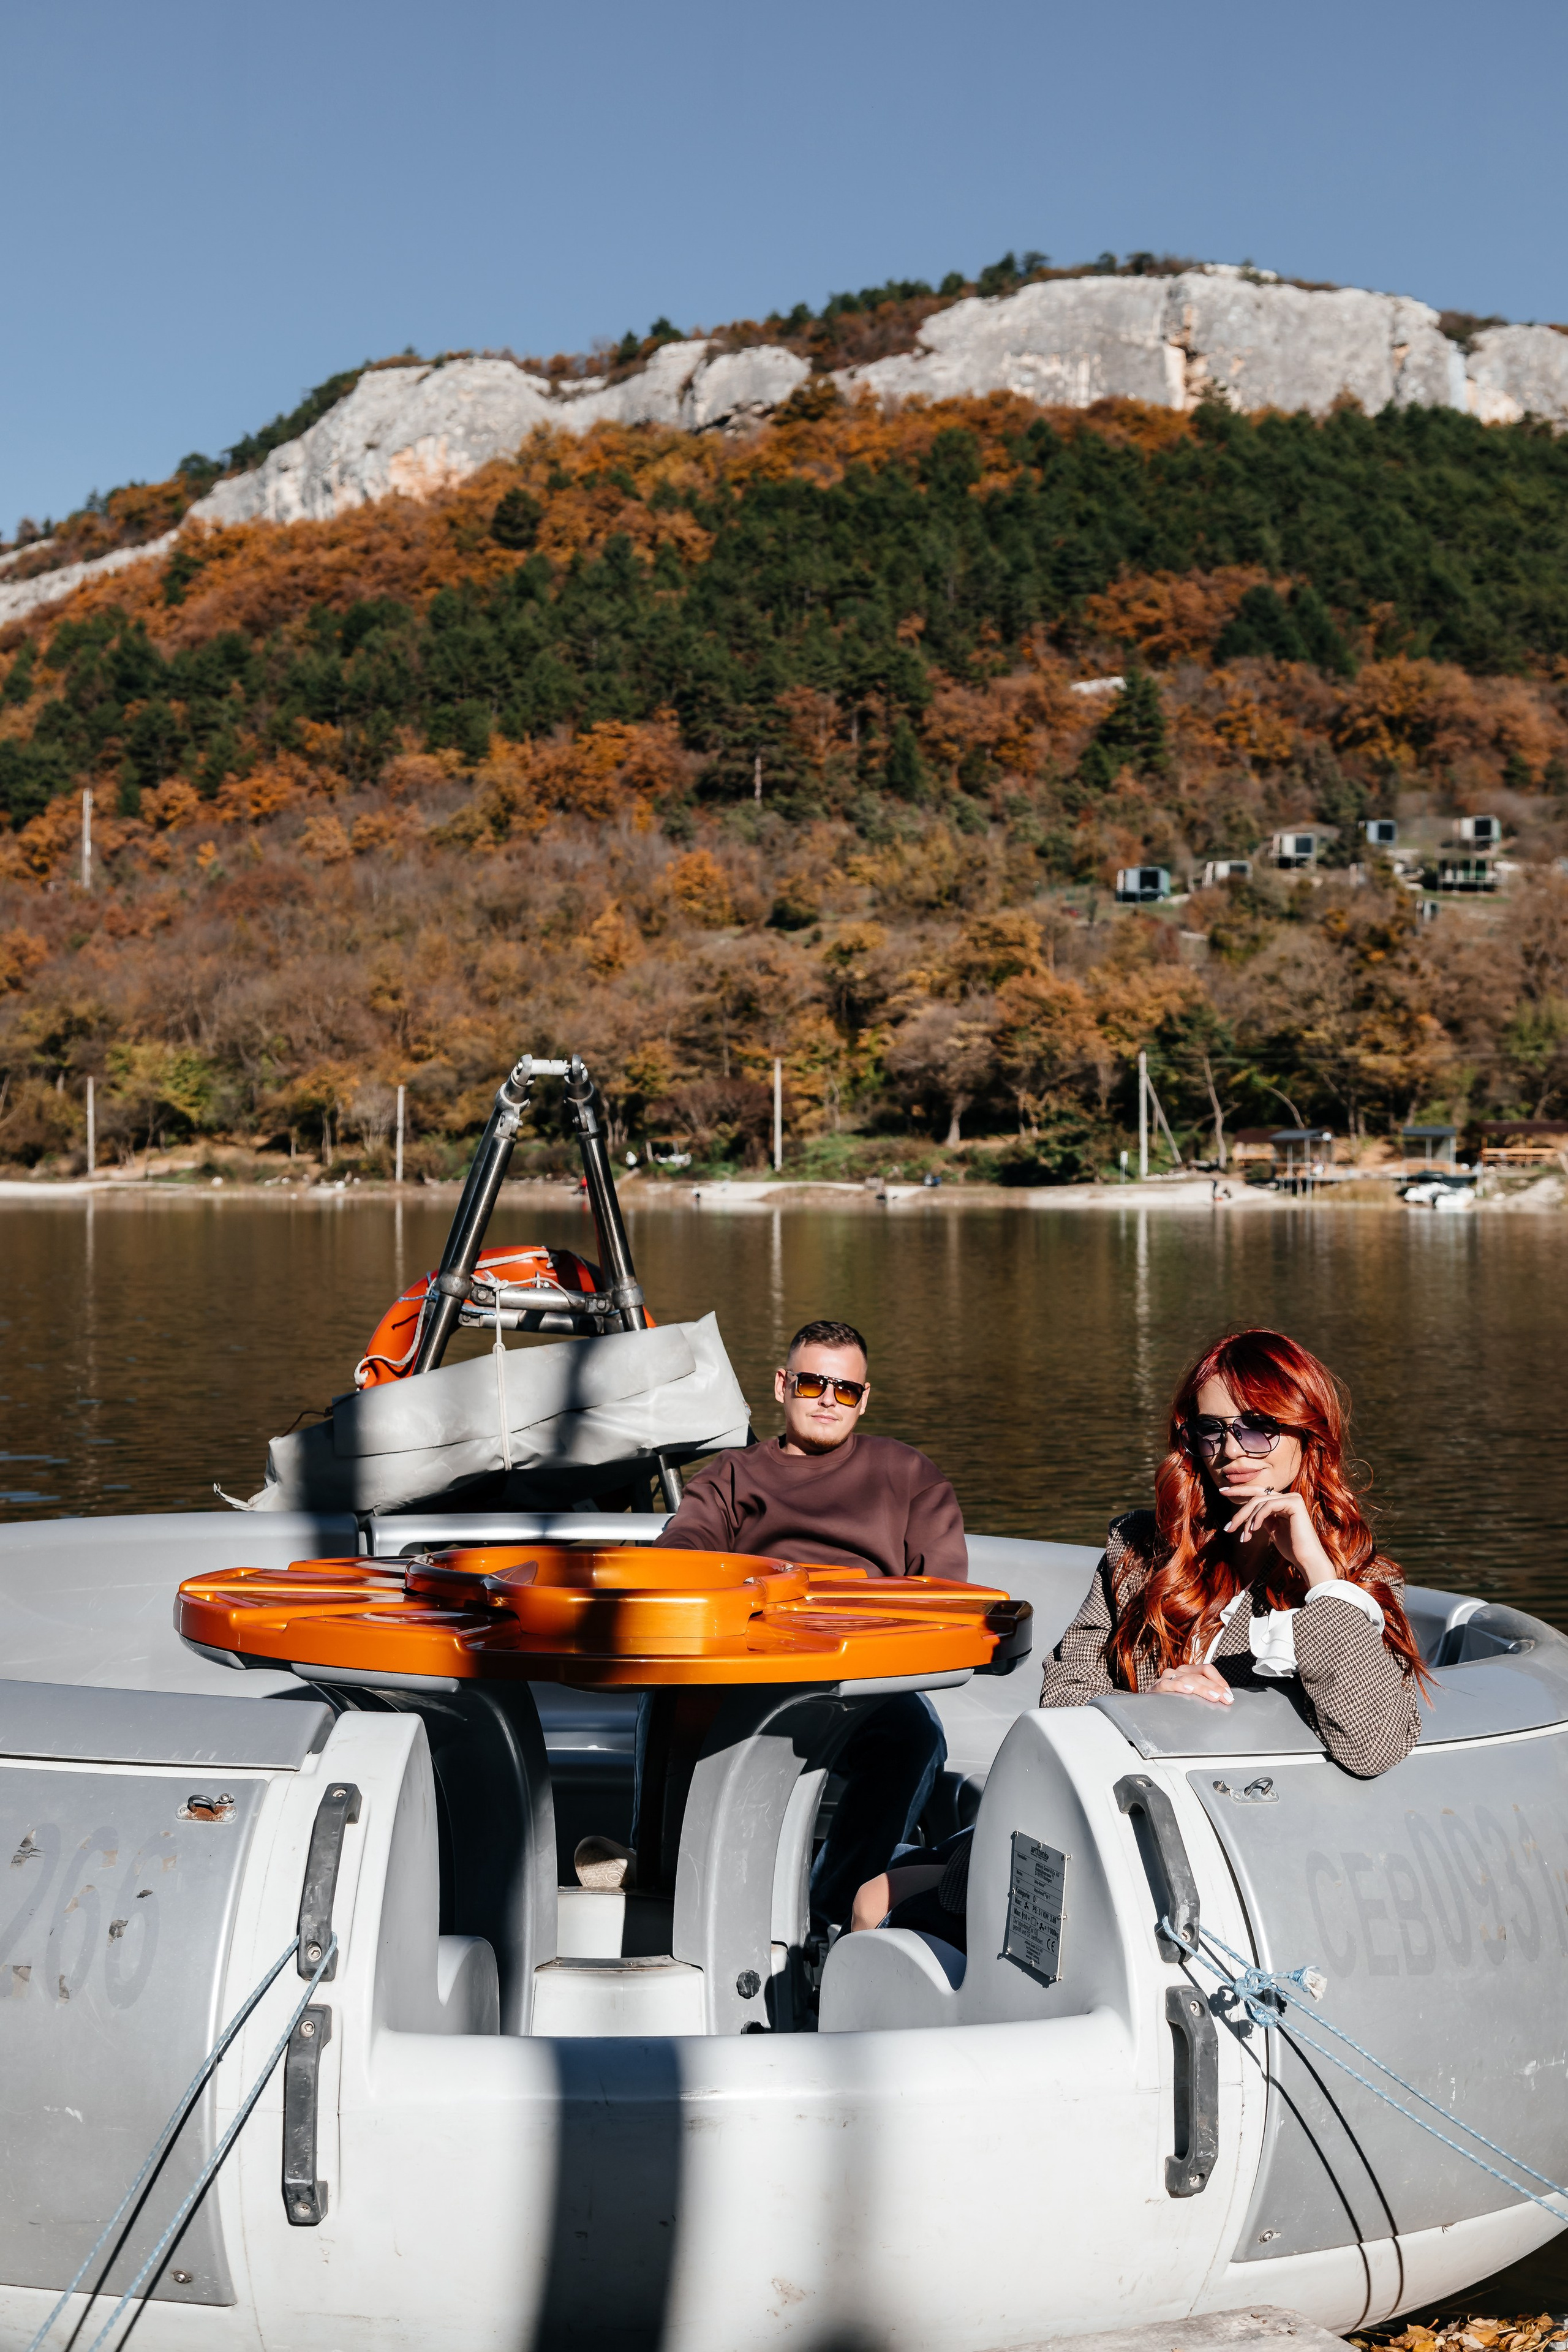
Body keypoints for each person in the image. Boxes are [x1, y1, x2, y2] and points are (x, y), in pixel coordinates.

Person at [850, 1325, 1425, 1951]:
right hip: (1096, 1830)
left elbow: (1372, 1743)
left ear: (1306, 1435)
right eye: (1211, 1430)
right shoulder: (1142, 1552)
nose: (1232, 1449)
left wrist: (1316, 1571)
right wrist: (1149, 1711)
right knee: (872, 1901)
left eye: (1258, 1427)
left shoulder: (1355, 1584)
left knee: (899, 1906)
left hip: (1224, 1864)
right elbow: (1065, 1692)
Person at [575, 1319, 967, 1928]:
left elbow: (945, 1593)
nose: (828, 1401)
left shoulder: (908, 1475)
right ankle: (661, 1875)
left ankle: (828, 1909)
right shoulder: (733, 1475)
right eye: (813, 1385)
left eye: (845, 1390)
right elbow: (684, 1548)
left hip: (860, 1677)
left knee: (913, 1738)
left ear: (864, 1399)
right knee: (674, 1693)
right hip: (746, 1666)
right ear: (783, 1386)